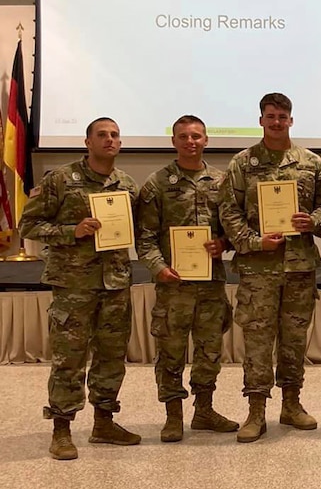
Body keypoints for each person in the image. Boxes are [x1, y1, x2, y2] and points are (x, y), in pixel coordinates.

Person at [20, 117, 140, 460]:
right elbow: (29, 224)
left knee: (111, 358)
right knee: (68, 360)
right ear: (87, 142)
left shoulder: (127, 185)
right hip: (74, 286)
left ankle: (104, 422)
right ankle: (61, 429)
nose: (109, 140)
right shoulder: (60, 179)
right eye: (102, 135)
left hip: (115, 284)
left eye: (115, 135)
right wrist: (72, 231)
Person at [218, 93, 321, 443]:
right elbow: (228, 211)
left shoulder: (311, 163)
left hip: (299, 268)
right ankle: (256, 410)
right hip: (258, 269)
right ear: (261, 120)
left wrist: (312, 221)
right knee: (257, 342)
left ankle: (291, 404)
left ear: (291, 121)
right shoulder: (242, 163)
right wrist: (253, 241)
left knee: (294, 341)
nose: (277, 122)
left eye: (283, 116)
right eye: (271, 116)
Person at [136, 115, 237, 442]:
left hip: (211, 286)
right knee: (171, 353)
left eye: (196, 136)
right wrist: (158, 268)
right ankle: (173, 416)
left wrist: (223, 244)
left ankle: (204, 411)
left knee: (209, 352)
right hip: (173, 286)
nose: (190, 141)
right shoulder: (157, 184)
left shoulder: (223, 182)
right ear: (174, 141)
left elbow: (234, 230)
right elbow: (145, 237)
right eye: (183, 136)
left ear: (206, 140)